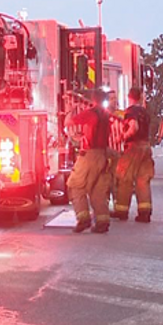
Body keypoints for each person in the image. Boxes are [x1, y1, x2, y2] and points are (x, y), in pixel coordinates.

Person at [65, 89, 113, 233]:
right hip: (102, 155)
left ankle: (83, 219)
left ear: (93, 99)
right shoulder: (105, 115)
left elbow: (69, 122)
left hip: (90, 156)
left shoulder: (90, 113)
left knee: (75, 185)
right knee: (97, 189)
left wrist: (70, 109)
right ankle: (103, 222)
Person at [113, 87, 154, 223]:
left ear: (128, 96)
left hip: (134, 147)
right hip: (146, 147)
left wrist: (123, 137)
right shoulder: (144, 112)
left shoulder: (131, 111)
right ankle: (145, 212)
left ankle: (122, 211)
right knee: (143, 180)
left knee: (125, 177)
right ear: (140, 97)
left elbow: (134, 126)